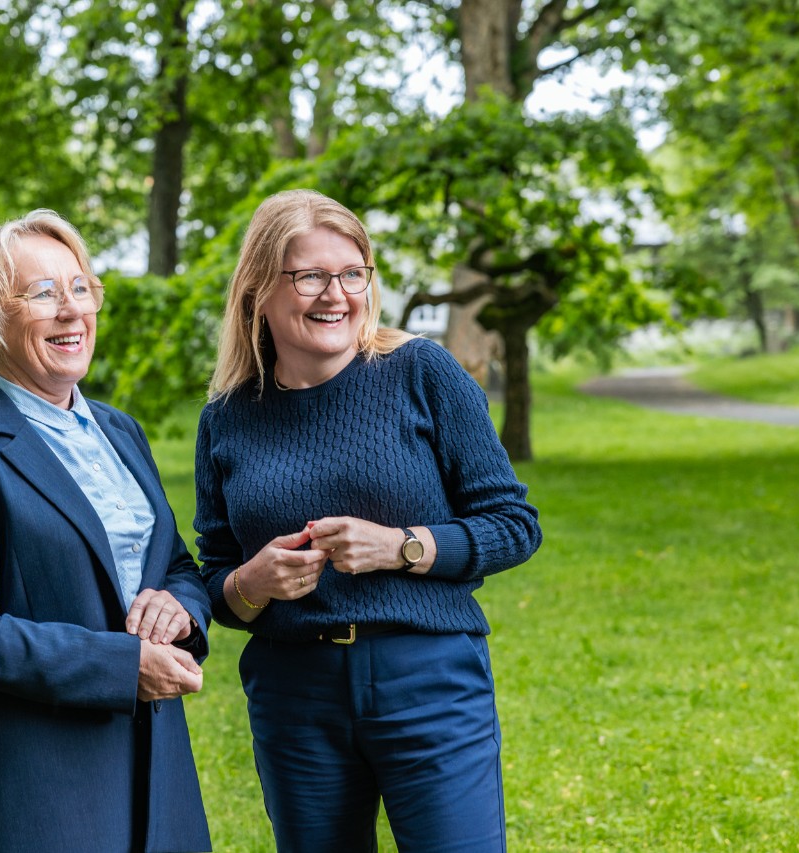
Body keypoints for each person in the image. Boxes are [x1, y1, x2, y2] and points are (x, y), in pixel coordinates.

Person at [194, 189, 542, 853]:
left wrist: (401, 546)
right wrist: (253, 582)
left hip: (429, 676)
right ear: (259, 290)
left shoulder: (421, 372)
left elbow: (514, 524)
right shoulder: (227, 417)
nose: (336, 295)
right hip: (294, 694)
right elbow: (216, 577)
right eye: (310, 276)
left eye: (352, 273)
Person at [0, 210, 211, 853]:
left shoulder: (121, 430)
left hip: (161, 762)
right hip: (50, 778)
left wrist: (181, 605)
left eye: (80, 287)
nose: (72, 310)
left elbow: (174, 564)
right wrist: (123, 668)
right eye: (43, 293)